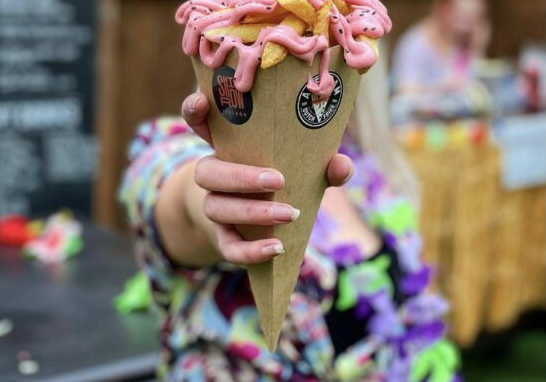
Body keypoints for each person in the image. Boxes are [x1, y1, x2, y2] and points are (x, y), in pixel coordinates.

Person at [119, 39, 459, 380]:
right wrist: (214, 202)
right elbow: (173, 193)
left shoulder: (367, 171)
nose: (303, 42)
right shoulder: (197, 153)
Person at [392, 0, 490, 96]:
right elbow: (404, 92)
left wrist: (478, 48)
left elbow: (476, 88)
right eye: (463, 17)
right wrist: (441, 88)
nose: (468, 27)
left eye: (476, 19)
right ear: (444, 11)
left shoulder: (466, 44)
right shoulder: (416, 43)